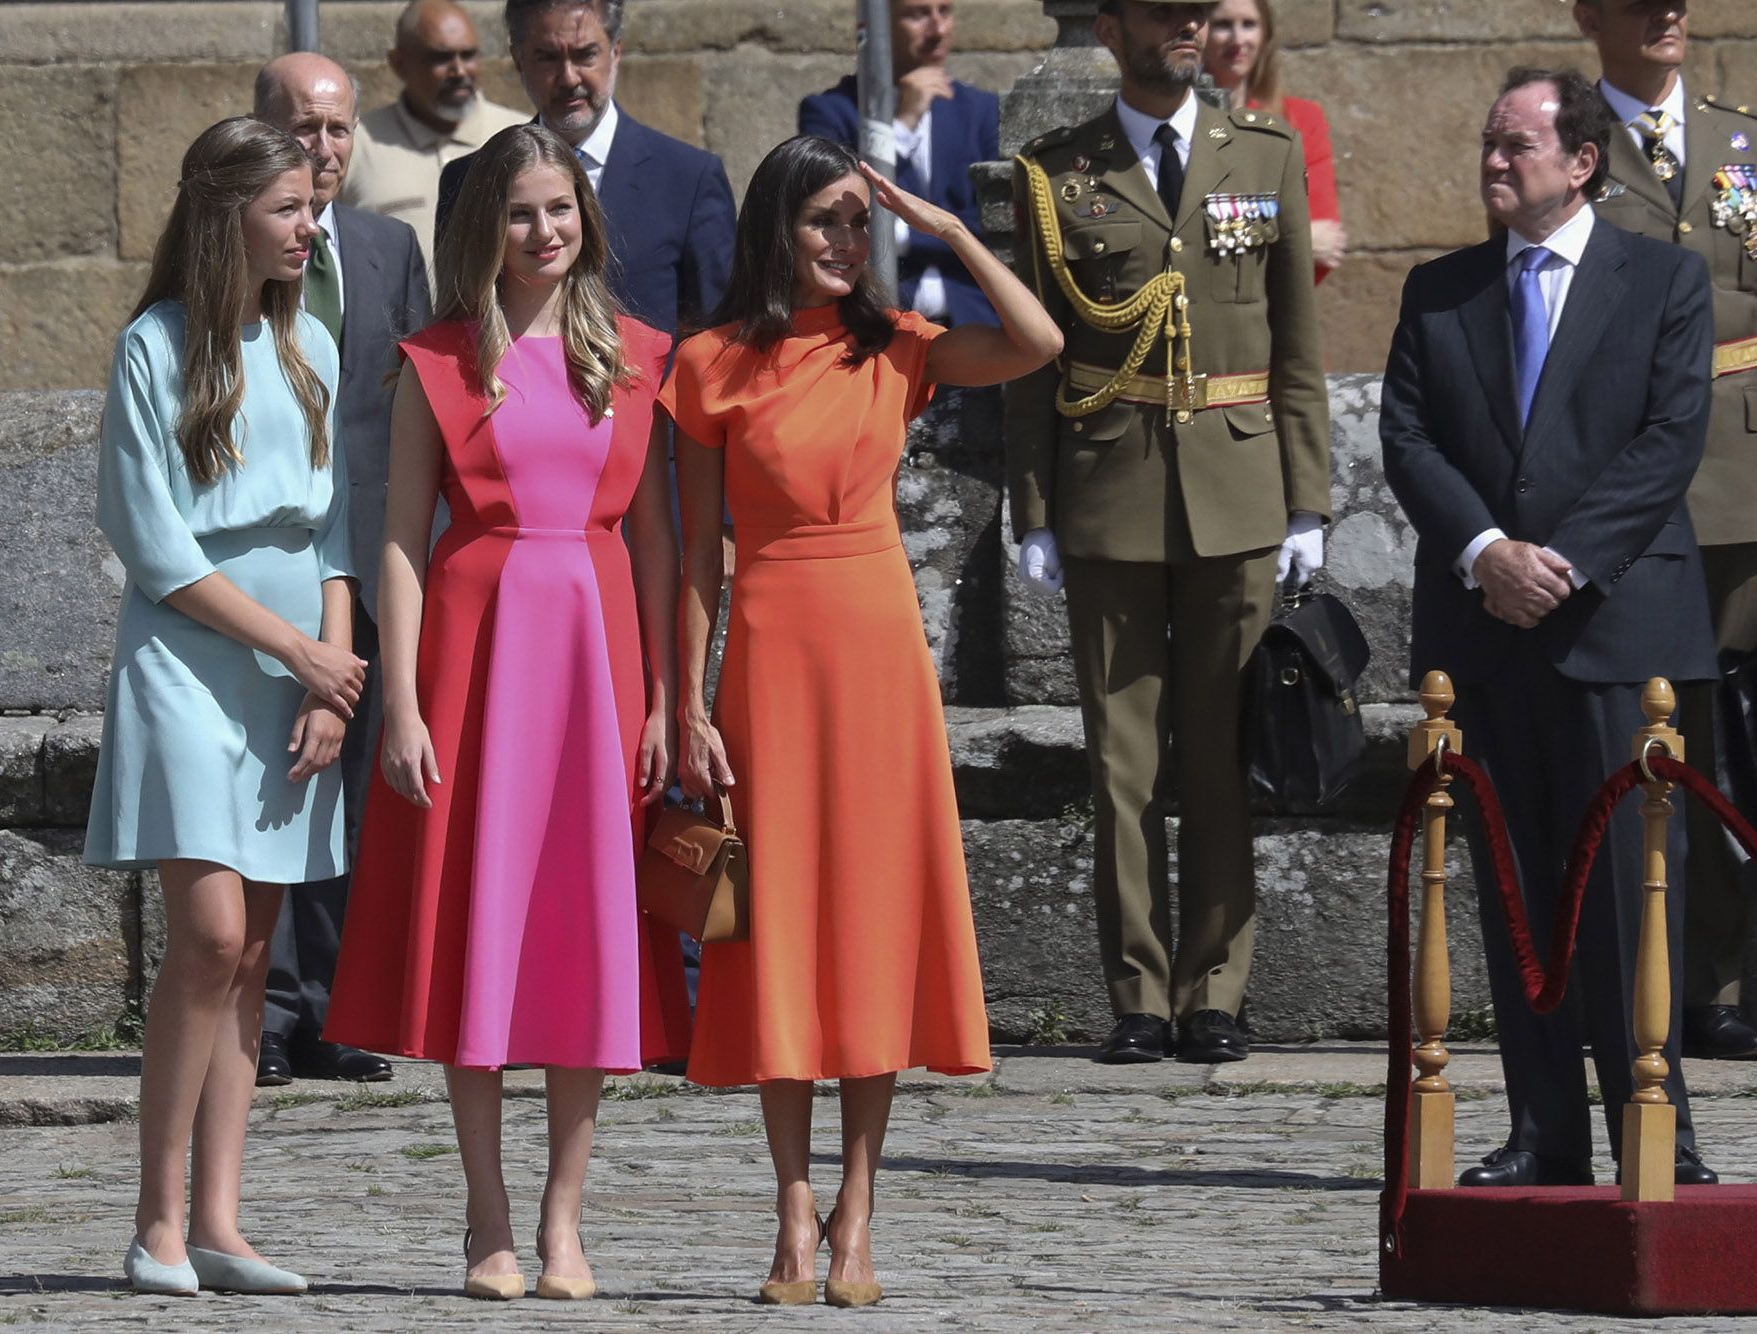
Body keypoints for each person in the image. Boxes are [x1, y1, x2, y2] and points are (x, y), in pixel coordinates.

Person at [663, 134, 1061, 1308]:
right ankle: (791, 1207)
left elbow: (1039, 343)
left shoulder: (897, 350)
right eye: (823, 221)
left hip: (879, 650)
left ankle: (858, 1212)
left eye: (858, 221)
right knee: (778, 926)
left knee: (873, 925)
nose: (845, 242)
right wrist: (685, 700)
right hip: (770, 653)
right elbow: (695, 555)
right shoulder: (707, 365)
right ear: (774, 229)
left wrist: (945, 230)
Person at [321, 124, 691, 1302]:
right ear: (486, 226)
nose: (546, 230)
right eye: (522, 212)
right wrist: (406, 703)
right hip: (477, 658)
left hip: (596, 659)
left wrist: (668, 703)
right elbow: (400, 534)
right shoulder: (435, 359)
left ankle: (565, 1219)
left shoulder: (638, 355)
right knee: (476, 926)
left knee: (587, 934)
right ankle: (486, 1214)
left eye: (561, 208)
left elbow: (655, 539)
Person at [1380, 66, 1720, 1188]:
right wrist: (1487, 555)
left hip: (1612, 629)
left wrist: (1556, 564)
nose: (1491, 162)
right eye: (1484, 143)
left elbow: (1666, 439)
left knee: (1626, 891)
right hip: (1487, 632)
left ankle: (1650, 1121)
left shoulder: (1661, 279)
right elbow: (1409, 439)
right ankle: (1542, 1128)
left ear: (1578, 162)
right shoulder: (1438, 290)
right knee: (1517, 890)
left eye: (1512, 146)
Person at [1004, 0, 1331, 1066]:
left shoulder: (1263, 154)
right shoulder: (1057, 173)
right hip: (1109, 494)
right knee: (1122, 770)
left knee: (1221, 762)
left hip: (1235, 491)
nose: (1186, 27)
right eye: (1162, 12)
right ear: (1110, 30)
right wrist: (1035, 508)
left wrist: (1307, 501)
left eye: (1196, 11)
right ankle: (1139, 993)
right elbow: (1034, 358)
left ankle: (1216, 992)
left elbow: (1295, 346)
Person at [85, 116, 362, 1296]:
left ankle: (219, 1218)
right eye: (291, 207)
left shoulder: (312, 351)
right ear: (230, 213)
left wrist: (335, 681)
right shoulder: (153, 346)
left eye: (313, 206)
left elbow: (337, 534)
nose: (310, 226)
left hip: (296, 677)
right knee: (203, 935)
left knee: (253, 951)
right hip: (192, 666)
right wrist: (295, 650)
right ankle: (152, 1220)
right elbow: (153, 543)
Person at [1573, 0, 1757, 1062]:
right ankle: (1656, 975)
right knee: (1658, 741)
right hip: (1636, 487)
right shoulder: (1566, 148)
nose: (1665, 16)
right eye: (1638, 2)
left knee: (1741, 741)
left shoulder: (1741, 144)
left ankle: (1726, 984)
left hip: (1745, 475)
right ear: (1588, 15)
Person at [251, 52, 431, 1090]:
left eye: (335, 129)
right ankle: (265, 1011)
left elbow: (412, 411)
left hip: (366, 561)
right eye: (301, 127)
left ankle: (332, 1006)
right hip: (263, 567)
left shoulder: (385, 248)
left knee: (355, 796)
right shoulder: (229, 248)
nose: (321, 148)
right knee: (275, 784)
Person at [435, 0, 736, 338]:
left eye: (585, 55)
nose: (568, 77)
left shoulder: (688, 179)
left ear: (616, 51)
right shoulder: (468, 181)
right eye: (547, 57)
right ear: (518, 60)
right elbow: (457, 324)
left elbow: (717, 339)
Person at [798, 0, 1002, 325]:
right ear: (878, 24)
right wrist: (904, 124)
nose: (938, 29)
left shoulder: (981, 111)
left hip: (972, 324)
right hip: (877, 322)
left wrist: (900, 235)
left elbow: (993, 225)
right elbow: (836, 216)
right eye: (918, 14)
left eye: (945, 11)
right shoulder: (830, 112)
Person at [341, 0, 526, 284]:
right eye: (441, 58)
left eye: (468, 55)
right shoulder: (356, 145)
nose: (459, 71)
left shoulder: (520, 135)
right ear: (398, 63)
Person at [1203, 0, 1347, 282]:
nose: (1238, 39)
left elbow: (1325, 244)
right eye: (1223, 25)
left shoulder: (1300, 119)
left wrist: (1216, 232)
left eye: (1249, 24)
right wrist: (1294, 237)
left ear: (1265, 35)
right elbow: (1172, 235)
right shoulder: (1173, 121)